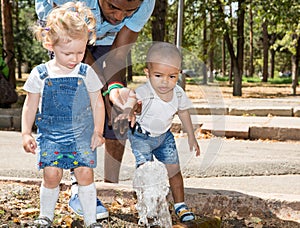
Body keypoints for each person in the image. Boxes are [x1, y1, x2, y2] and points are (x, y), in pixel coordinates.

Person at [35, 0, 155, 219]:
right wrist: (100, 90)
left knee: (117, 110)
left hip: (108, 39)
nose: (119, 17)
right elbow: (84, 66)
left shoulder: (145, 2)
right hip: (66, 25)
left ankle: (110, 187)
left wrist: (115, 89)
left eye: (130, 11)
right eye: (112, 7)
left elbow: (117, 56)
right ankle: (78, 187)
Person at [21, 2, 105, 227]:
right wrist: (26, 133)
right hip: (51, 136)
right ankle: (45, 215)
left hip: (82, 134)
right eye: (68, 52)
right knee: (51, 175)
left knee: (85, 173)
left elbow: (98, 102)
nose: (75, 58)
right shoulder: (41, 74)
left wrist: (98, 131)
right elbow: (30, 105)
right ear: (50, 44)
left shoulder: (86, 72)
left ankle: (90, 220)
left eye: (81, 51)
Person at [127, 42, 201, 222]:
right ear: (148, 73)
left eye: (172, 76)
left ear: (179, 74)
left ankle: (180, 205)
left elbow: (183, 112)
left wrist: (191, 134)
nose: (165, 81)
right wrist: (130, 110)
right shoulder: (145, 91)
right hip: (141, 137)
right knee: (147, 172)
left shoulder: (178, 93)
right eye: (158, 75)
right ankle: (149, 209)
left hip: (164, 137)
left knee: (174, 171)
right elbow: (132, 101)